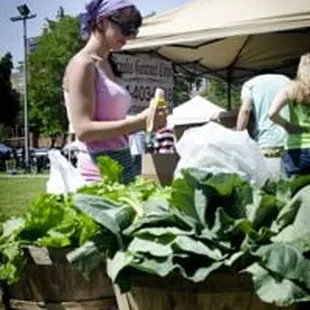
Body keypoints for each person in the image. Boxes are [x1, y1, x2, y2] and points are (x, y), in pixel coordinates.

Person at [63, 0, 166, 184]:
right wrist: (138, 123)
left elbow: (110, 122)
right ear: (102, 22)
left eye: (134, 30)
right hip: (98, 172)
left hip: (122, 160)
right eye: (126, 28)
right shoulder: (82, 64)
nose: (131, 36)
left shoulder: (107, 63)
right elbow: (83, 130)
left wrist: (146, 118)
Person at [269, 53, 310, 177]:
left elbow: (272, 113)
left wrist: (287, 125)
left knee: (296, 193)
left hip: (296, 148)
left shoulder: (291, 89)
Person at [236, 73, 291, 157]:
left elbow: (245, 110)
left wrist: (238, 136)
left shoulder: (249, 84)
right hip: (292, 141)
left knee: (268, 170)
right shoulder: (288, 81)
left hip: (266, 141)